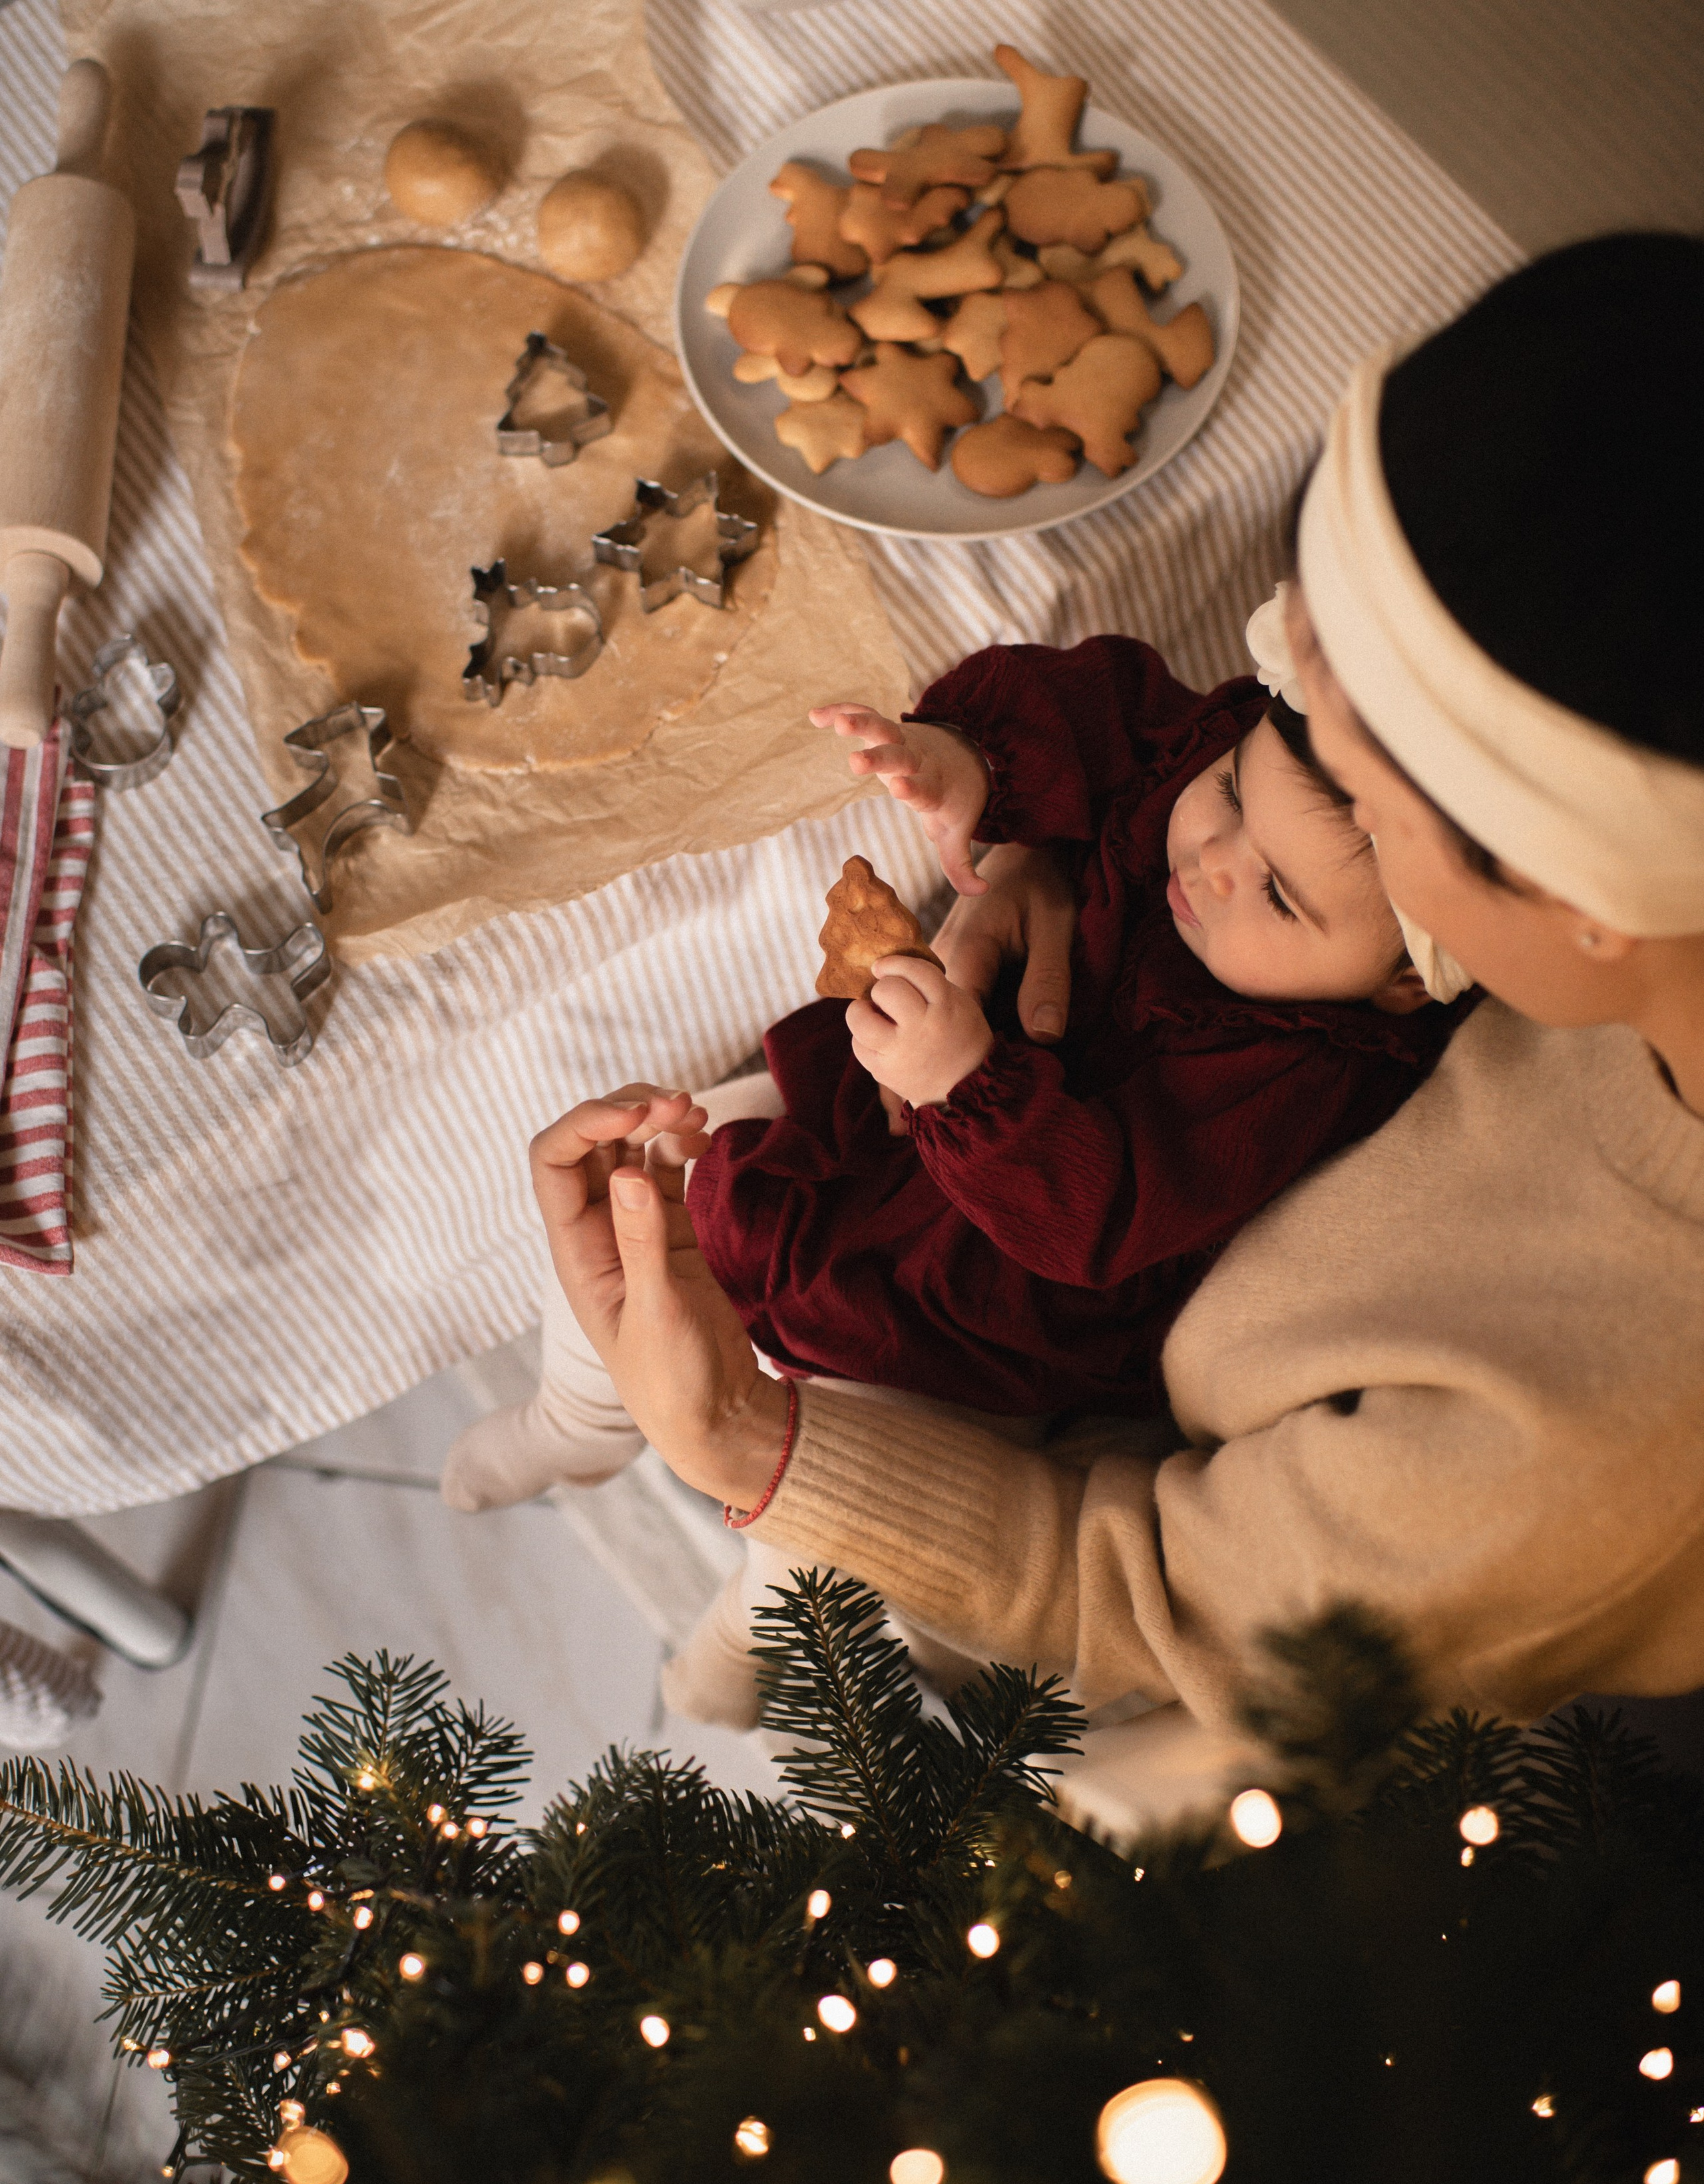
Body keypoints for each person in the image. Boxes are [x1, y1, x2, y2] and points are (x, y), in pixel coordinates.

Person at [497, 236, 1704, 1812]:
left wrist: (740, 1442)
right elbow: (1172, 755)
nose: (1230, 807)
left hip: (1112, 1535)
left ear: (1565, 904)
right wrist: (1050, 851)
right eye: (1276, 716)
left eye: (1343, 812)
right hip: (1048, 1288)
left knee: (796, 1618)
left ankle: (719, 1690)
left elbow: (1129, 1595)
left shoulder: (1589, 1456)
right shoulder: (1550, 730)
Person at [443, 624, 1468, 1516]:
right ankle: (576, 1419)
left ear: (1405, 983)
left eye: (1280, 896)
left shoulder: (1294, 1072)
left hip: (985, 1279)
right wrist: (968, 762)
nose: (1211, 860)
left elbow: (1099, 1217)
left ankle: (747, 1636)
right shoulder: (1232, 760)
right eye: (1233, 793)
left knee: (818, 1455)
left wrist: (966, 1087)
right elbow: (1108, 706)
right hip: (899, 1101)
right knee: (644, 1175)